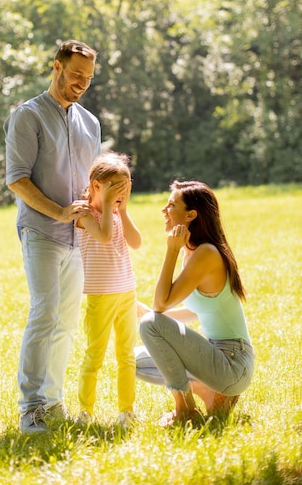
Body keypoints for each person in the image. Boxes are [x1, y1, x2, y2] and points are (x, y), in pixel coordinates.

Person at [4, 39, 101, 434]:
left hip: (79, 239)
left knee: (66, 322)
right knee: (44, 314)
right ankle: (31, 407)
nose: (82, 83)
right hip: (42, 231)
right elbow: (17, 180)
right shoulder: (27, 116)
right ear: (56, 66)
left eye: (89, 78)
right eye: (76, 74)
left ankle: (54, 401)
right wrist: (60, 212)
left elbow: (94, 181)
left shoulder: (90, 122)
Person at [136, 180, 255, 427]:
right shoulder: (194, 252)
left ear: (191, 215)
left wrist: (171, 250)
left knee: (151, 323)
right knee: (132, 360)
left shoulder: (206, 253)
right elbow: (194, 310)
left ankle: (185, 410)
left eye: (170, 205)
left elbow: (161, 304)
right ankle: (213, 393)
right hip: (220, 361)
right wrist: (140, 310)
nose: (163, 210)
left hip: (232, 363)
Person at [75, 152, 142, 428]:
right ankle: (85, 412)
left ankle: (127, 411)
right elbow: (102, 236)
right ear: (96, 185)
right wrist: (104, 206)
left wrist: (122, 211)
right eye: (115, 189)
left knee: (126, 355)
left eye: (124, 191)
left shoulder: (116, 214)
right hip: (100, 295)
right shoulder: (83, 213)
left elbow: (136, 243)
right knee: (95, 355)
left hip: (126, 292)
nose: (119, 196)